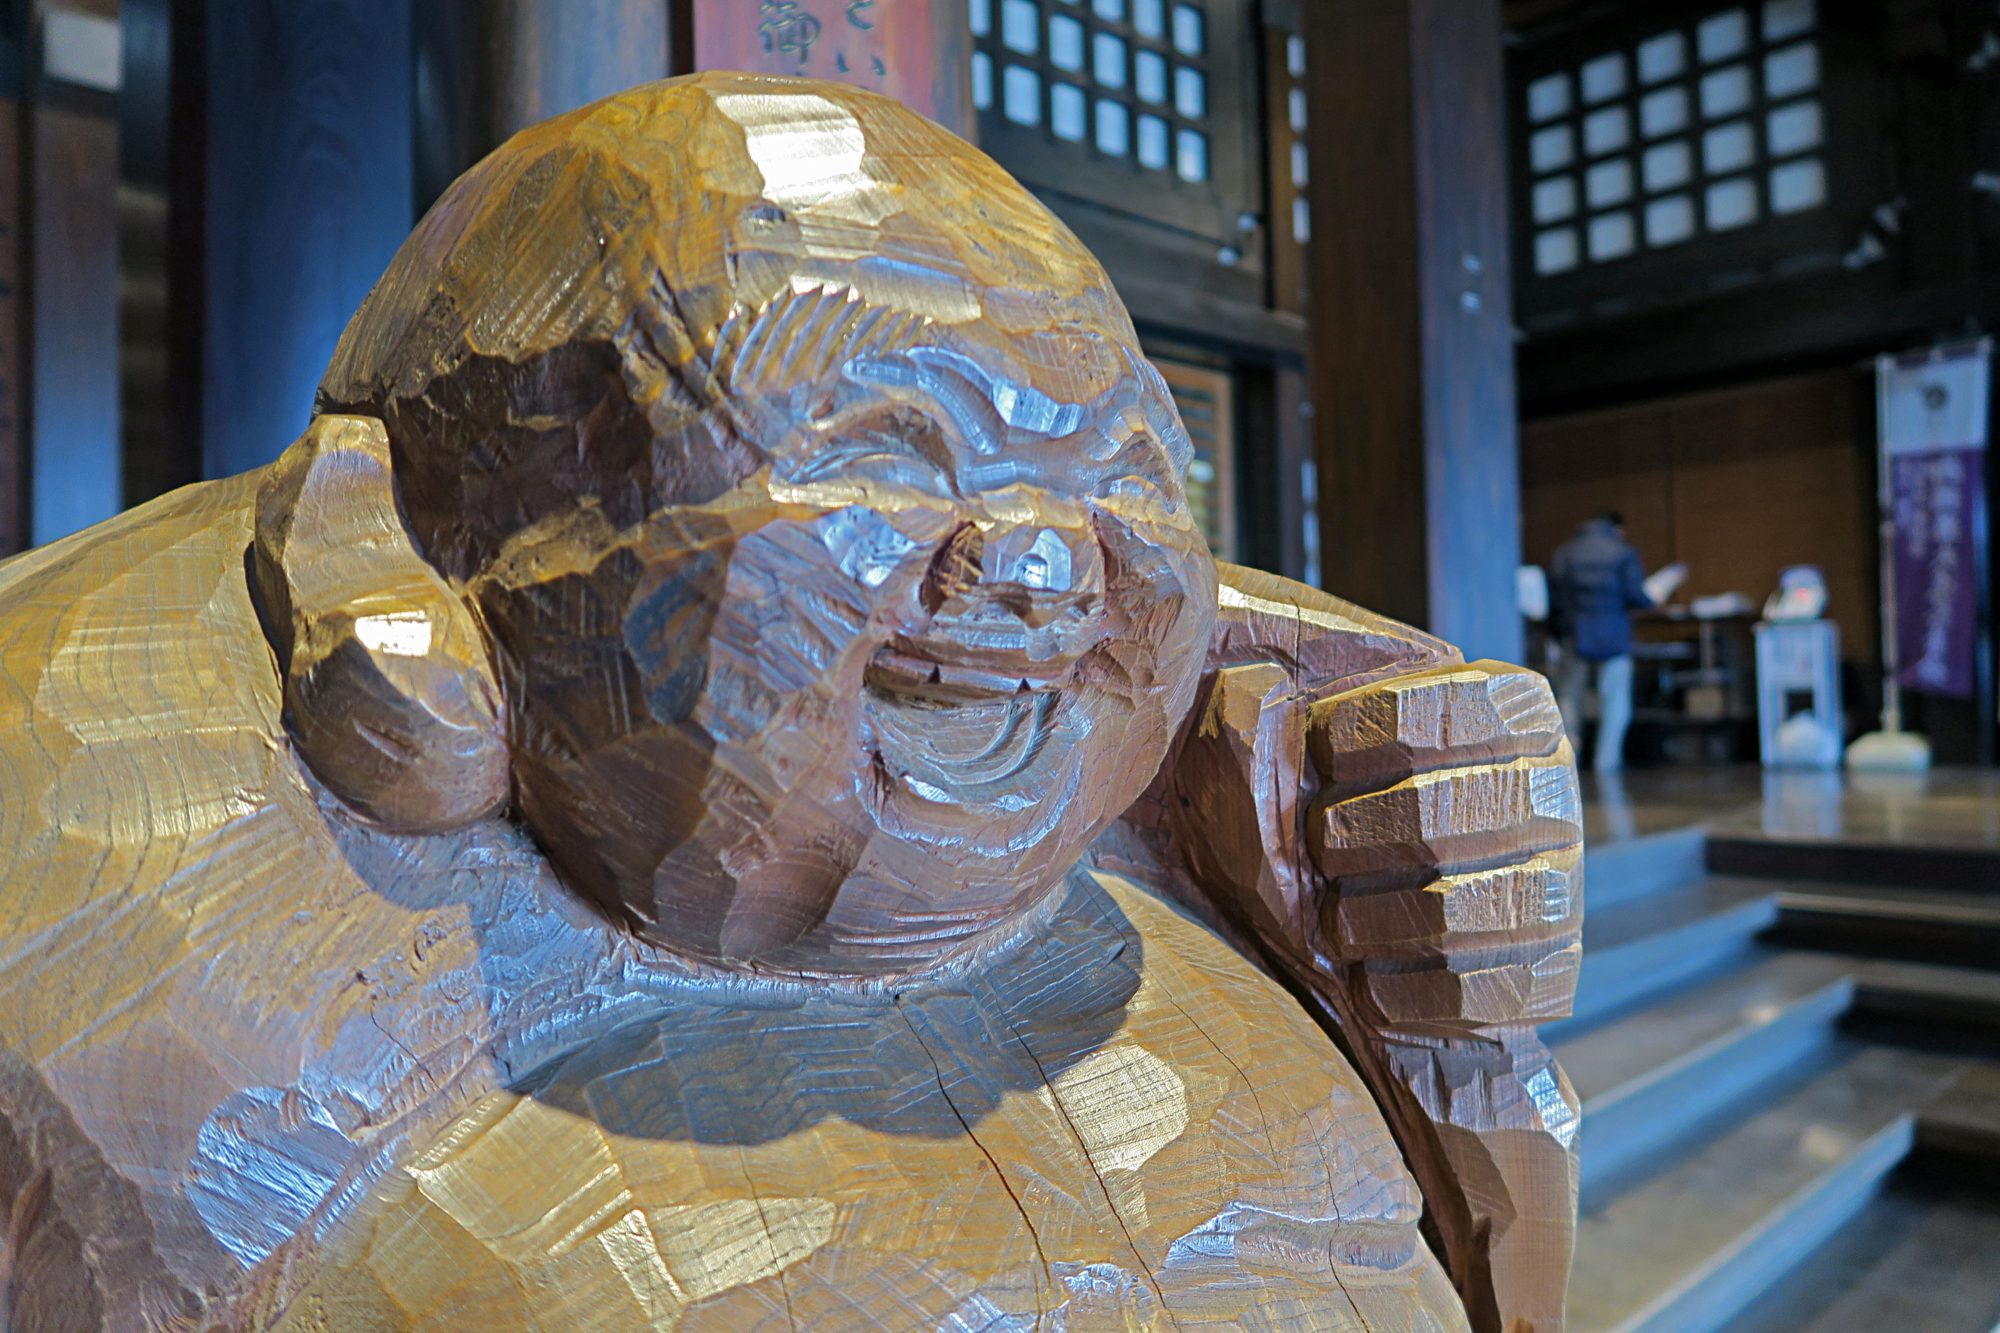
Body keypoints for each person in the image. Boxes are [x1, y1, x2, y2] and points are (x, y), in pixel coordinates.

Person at [0, 75, 1580, 1330]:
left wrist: (1460, 1043)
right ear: (404, 546)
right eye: (893, 446)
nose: (1038, 556)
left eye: (1107, 466)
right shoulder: (159, 896)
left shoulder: (1226, 858)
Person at [1550, 511, 1659, 771]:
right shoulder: (1623, 552)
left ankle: (1568, 761)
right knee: (1616, 701)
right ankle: (1607, 762)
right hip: (1614, 636)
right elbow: (1636, 594)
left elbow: (1555, 601)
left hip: (1574, 635)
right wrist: (1652, 601)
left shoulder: (1565, 553)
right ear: (1617, 528)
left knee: (1569, 699)